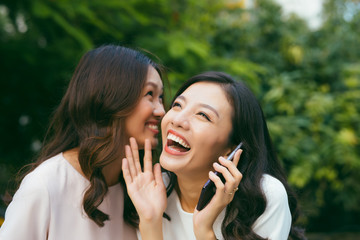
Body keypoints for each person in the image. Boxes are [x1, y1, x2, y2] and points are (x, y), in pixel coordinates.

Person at [0, 45, 165, 240]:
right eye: (150, 95)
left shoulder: (146, 194)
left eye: (161, 98)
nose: (161, 110)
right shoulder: (45, 186)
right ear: (111, 97)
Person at [122, 71, 306, 240]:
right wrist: (150, 222)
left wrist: (204, 231)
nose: (177, 120)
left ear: (233, 149)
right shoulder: (151, 191)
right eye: (177, 105)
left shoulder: (264, 197)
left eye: (203, 115)